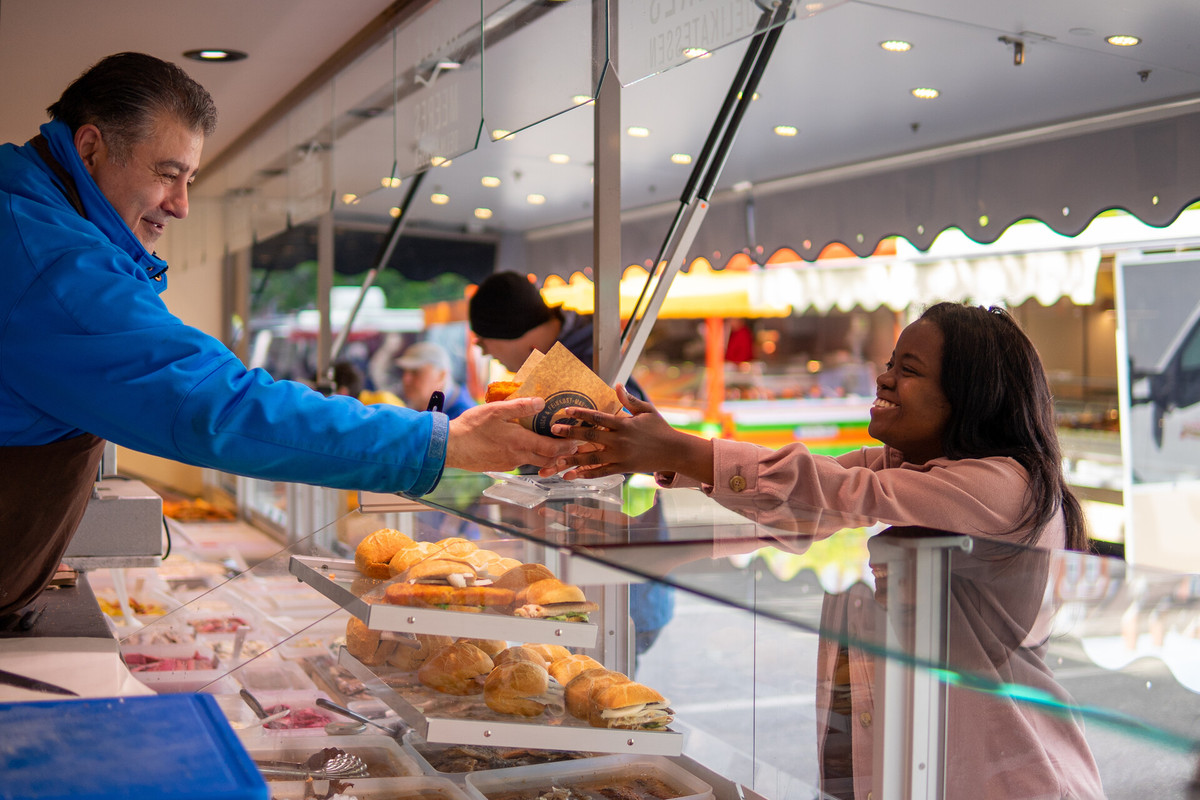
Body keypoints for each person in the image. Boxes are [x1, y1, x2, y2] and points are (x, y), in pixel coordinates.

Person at [0, 52, 574, 618]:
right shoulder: (54, 266)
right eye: (167, 174)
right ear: (91, 147)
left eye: (190, 179)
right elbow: (216, 407)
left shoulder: (29, 215)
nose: (181, 206)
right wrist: (439, 442)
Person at [549, 302, 1090, 554]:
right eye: (890, 364)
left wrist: (684, 453)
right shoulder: (906, 464)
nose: (884, 380)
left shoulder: (1003, 485)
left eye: (909, 370)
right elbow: (804, 503)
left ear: (971, 397)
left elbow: (835, 492)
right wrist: (650, 527)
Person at [468, 271, 646, 401]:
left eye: (482, 341)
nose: (483, 352)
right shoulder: (556, 359)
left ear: (509, 331)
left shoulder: (594, 361)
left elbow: (633, 421)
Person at [395, 340, 475, 418]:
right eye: (404, 371)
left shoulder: (463, 415)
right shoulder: (414, 405)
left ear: (441, 376)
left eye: (415, 372)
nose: (406, 379)